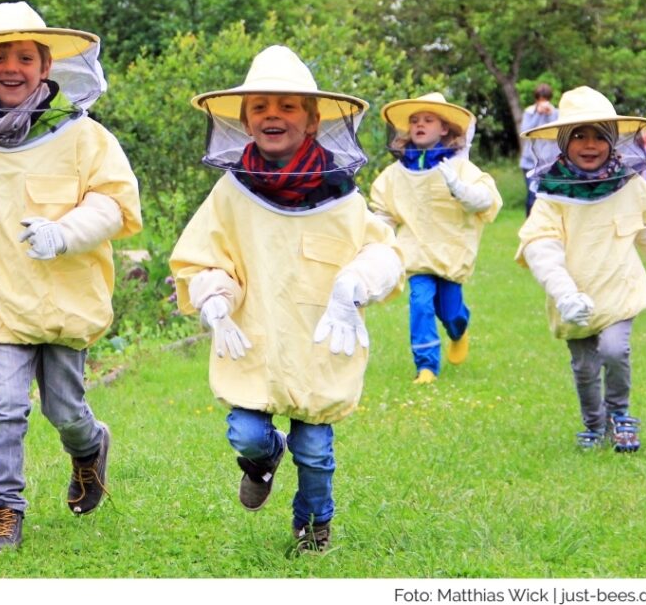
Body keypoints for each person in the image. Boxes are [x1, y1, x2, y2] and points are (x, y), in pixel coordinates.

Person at [169, 45, 404, 554]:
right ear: (245, 120)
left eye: (288, 105)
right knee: (247, 435)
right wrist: (213, 296)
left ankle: (314, 525)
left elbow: (383, 254)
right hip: (254, 345)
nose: (272, 114)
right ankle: (263, 461)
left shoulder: (342, 196)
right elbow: (207, 258)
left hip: (319, 348)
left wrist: (354, 283)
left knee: (315, 451)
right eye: (260, 106)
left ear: (314, 120)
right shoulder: (231, 193)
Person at [0, 2, 142, 553]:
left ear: (46, 67)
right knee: (4, 407)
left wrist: (66, 232)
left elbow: (115, 204)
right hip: (0, 298)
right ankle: (4, 510)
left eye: (25, 57)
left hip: (67, 300)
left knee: (64, 410)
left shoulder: (85, 136)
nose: (11, 67)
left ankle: (89, 448)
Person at [516, 86, 646, 452]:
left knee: (614, 350)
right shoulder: (551, 196)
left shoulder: (631, 185)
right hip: (573, 297)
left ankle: (620, 415)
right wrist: (564, 294)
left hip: (620, 291)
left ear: (613, 141)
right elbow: (541, 247)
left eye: (599, 136)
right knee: (585, 367)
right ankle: (594, 424)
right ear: (563, 142)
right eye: (579, 135)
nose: (590, 144)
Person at [368, 93, 502, 385]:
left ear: (444, 128)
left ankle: (459, 332)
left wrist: (459, 188)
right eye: (414, 120)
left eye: (428, 120)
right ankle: (426, 366)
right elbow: (384, 211)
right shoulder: (395, 173)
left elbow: (485, 200)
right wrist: (375, 236)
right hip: (415, 254)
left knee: (451, 312)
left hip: (451, 253)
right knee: (420, 303)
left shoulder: (461, 168)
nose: (419, 124)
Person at [520, 83, 559, 215]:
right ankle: (529, 223)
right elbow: (525, 131)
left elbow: (558, 132)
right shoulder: (529, 112)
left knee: (549, 197)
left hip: (549, 162)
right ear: (536, 99)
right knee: (532, 195)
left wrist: (549, 114)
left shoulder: (555, 113)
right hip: (529, 162)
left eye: (545, 100)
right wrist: (538, 114)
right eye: (540, 100)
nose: (543, 103)